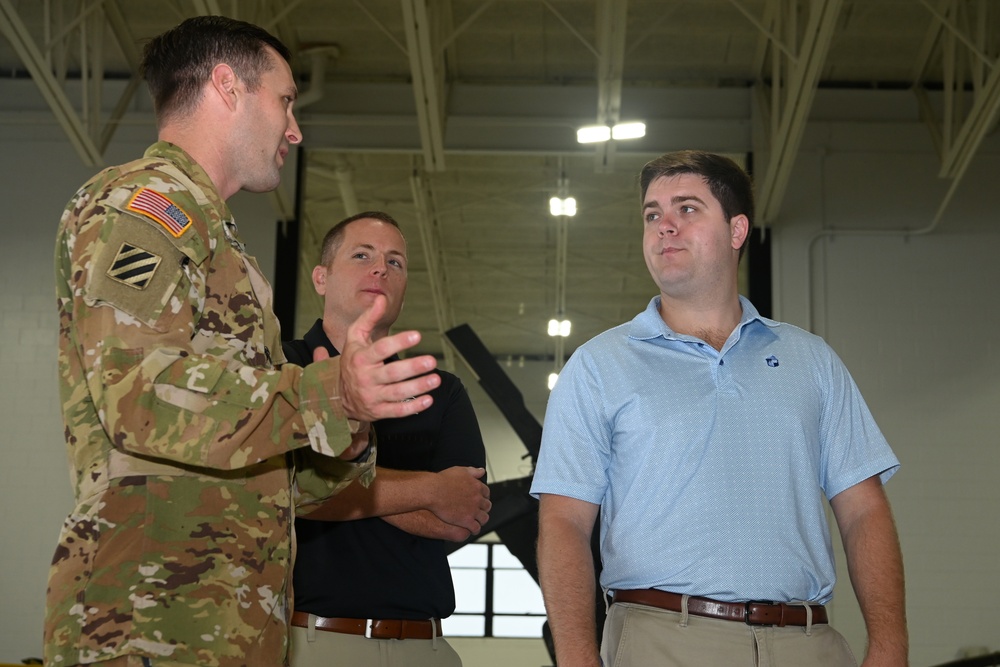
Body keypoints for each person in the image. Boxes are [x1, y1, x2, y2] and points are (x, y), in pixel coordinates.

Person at [47, 17, 440, 667]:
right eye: (285, 100)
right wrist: (324, 391)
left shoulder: (225, 249)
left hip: (223, 629)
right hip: (144, 624)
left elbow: (277, 481)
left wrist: (353, 418)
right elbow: (140, 399)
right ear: (227, 86)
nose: (295, 128)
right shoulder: (142, 207)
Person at [531, 150, 908, 667]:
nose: (664, 226)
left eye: (686, 209)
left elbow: (864, 510)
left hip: (808, 643)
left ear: (736, 231)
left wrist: (889, 650)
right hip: (662, 641)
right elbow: (564, 523)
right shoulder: (598, 366)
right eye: (651, 214)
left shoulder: (812, 360)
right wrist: (576, 658)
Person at [282, 211, 490, 667]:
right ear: (321, 278)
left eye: (395, 262)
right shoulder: (283, 371)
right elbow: (286, 490)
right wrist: (430, 489)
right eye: (362, 256)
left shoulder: (440, 390)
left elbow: (460, 516)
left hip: (425, 647)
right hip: (312, 640)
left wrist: (332, 486)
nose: (380, 268)